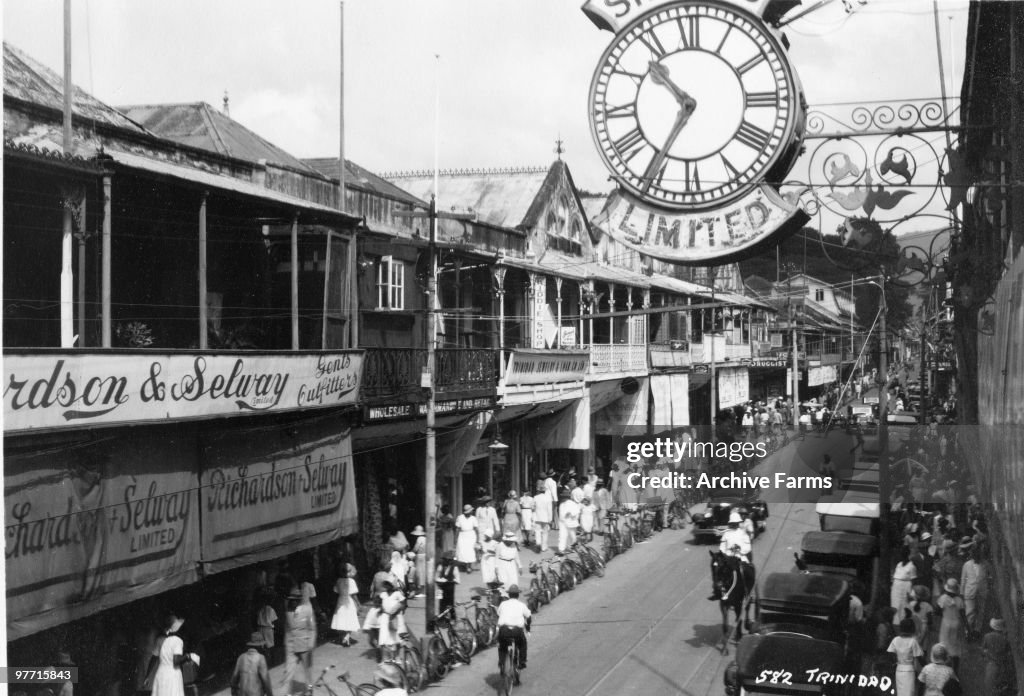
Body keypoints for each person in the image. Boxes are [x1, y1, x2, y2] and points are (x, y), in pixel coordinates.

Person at [709, 512, 751, 601]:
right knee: (718, 569)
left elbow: (748, 547)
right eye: (733, 523)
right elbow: (722, 547)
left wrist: (739, 549)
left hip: (740, 557)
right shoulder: (726, 534)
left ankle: (746, 591)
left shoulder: (743, 534)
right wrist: (724, 554)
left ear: (738, 523)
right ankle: (720, 589)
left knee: (744, 571)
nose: (734, 525)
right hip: (728, 558)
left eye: (736, 523)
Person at [152, 615, 196, 696]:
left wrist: (147, 676)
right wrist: (187, 657)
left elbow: (154, 658)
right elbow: (176, 661)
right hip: (173, 673)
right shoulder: (177, 641)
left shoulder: (159, 639)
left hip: (161, 673)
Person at [282, 590, 315, 696]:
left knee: (307, 670)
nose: (293, 603)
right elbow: (287, 629)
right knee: (289, 671)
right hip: (291, 646)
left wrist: (311, 643)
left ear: (299, 600)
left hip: (304, 645)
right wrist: (287, 643)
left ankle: (309, 691)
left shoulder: (307, 610)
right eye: (291, 601)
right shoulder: (288, 612)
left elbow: (312, 629)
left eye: (295, 600)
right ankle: (288, 694)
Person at [496, 584, 531, 678]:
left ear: (509, 595)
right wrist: (528, 629)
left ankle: (501, 663)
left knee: (501, 645)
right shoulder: (521, 605)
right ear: (518, 595)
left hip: (504, 631)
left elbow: (498, 613)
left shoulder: (503, 604)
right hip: (517, 632)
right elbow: (528, 616)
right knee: (523, 643)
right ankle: (522, 662)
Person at [887, 617, 924, 696]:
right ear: (912, 629)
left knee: (900, 693)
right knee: (909, 692)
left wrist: (894, 662)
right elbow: (919, 657)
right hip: (909, 670)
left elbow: (890, 654)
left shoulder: (895, 640)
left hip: (899, 669)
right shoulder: (913, 641)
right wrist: (927, 665)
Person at [936, 578, 966, 673]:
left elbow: (937, 611)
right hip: (956, 624)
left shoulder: (943, 598)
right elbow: (963, 615)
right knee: (955, 647)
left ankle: (944, 668)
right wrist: (968, 628)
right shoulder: (959, 600)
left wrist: (942, 614)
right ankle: (955, 670)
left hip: (945, 623)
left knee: (944, 645)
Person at [376, 581, 406, 662]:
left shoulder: (397, 594)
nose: (386, 588)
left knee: (397, 638)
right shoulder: (383, 594)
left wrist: (397, 609)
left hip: (396, 617)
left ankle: (397, 656)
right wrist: (381, 608)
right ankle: (386, 658)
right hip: (385, 617)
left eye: (388, 585)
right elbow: (379, 603)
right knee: (384, 638)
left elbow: (403, 604)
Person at [330, 564, 360, 647]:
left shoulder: (339, 580)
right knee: (350, 619)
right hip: (349, 600)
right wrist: (358, 603)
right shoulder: (352, 581)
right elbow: (354, 594)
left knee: (342, 619)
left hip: (341, 600)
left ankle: (344, 636)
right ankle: (347, 636)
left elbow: (335, 591)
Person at [982, 618, 1012, 696]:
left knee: (989, 684)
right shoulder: (1005, 639)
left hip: (991, 663)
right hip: (1002, 663)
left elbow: (983, 650)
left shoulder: (987, 636)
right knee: (1000, 684)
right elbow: (1008, 652)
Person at [959, 547, 980, 639]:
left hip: (981, 592)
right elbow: (963, 579)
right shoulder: (967, 564)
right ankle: (968, 631)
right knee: (970, 612)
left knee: (980, 612)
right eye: (974, 555)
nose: (976, 556)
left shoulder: (984, 565)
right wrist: (961, 592)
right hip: (969, 592)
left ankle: (976, 631)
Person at [891, 547, 917, 620]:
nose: (902, 555)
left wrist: (911, 592)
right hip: (895, 587)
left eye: (904, 554)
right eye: (902, 554)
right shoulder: (899, 564)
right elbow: (895, 576)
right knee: (895, 605)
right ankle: (895, 623)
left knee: (903, 606)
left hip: (905, 587)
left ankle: (903, 622)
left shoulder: (912, 566)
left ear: (908, 554)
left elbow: (913, 581)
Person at [908, 585, 934, 656]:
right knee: (924, 648)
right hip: (924, 628)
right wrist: (931, 628)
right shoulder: (928, 606)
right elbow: (930, 620)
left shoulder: (910, 604)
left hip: (914, 627)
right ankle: (923, 663)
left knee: (914, 647)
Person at [435, 550, 461, 616]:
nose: (447, 561)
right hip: (440, 586)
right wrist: (439, 580)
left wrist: (456, 580)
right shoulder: (440, 565)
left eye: (449, 560)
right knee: (441, 602)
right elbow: (436, 576)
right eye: (446, 560)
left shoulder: (454, 566)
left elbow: (457, 576)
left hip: (450, 585)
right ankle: (441, 617)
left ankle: (452, 617)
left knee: (450, 602)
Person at [455, 505, 478, 572]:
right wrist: (455, 538)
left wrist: (477, 539)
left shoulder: (473, 518)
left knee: (470, 551)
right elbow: (457, 528)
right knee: (463, 550)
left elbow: (476, 529)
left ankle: (469, 566)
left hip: (471, 535)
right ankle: (465, 565)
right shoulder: (460, 518)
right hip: (462, 535)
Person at [558, 489, 582, 553]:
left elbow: (577, 513)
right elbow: (561, 514)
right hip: (564, 522)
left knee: (572, 536)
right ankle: (562, 549)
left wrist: (571, 514)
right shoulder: (562, 504)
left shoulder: (571, 504)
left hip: (570, 522)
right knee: (563, 536)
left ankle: (571, 547)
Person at [532, 481, 553, 552]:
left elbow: (533, 508)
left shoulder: (535, 497)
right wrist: (550, 519)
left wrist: (533, 517)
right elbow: (549, 509)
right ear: (545, 491)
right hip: (545, 517)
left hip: (537, 517)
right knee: (545, 532)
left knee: (537, 531)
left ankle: (538, 543)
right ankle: (544, 547)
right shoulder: (548, 498)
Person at [410, 526, 427, 597]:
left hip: (420, 556)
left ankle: (421, 591)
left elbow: (416, 548)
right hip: (424, 556)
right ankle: (422, 590)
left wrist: (411, 552)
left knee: (419, 573)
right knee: (423, 572)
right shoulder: (425, 538)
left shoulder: (420, 539)